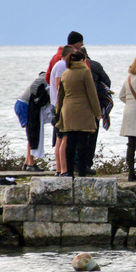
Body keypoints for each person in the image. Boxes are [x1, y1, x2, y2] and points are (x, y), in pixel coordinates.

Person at [55, 50, 102, 177]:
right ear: (82, 60)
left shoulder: (65, 73)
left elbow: (60, 95)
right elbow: (92, 93)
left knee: (70, 142)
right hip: (83, 110)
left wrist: (58, 111)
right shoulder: (85, 72)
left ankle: (69, 172)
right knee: (82, 142)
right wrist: (98, 112)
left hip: (67, 110)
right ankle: (81, 171)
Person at [49, 45, 74, 175]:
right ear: (69, 55)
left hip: (58, 104)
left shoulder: (59, 65)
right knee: (63, 137)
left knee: (60, 137)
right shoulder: (61, 66)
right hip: (59, 105)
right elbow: (60, 86)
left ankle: (60, 168)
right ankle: (63, 169)